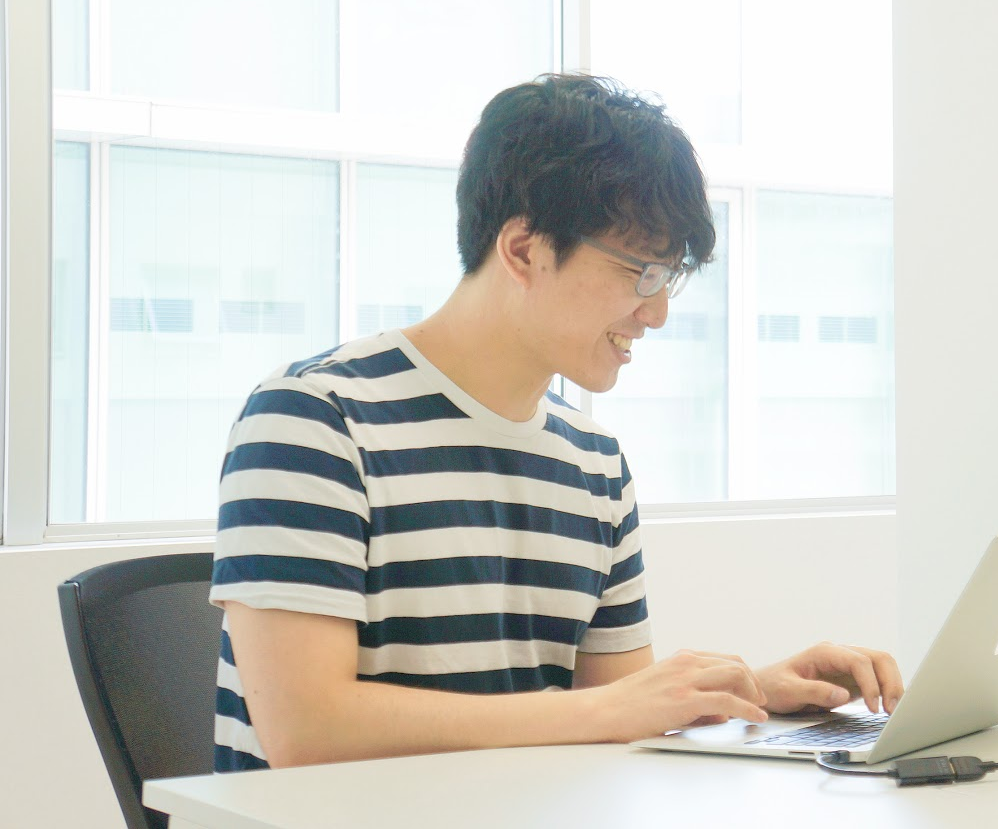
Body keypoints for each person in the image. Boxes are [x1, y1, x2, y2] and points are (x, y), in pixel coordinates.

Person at [210, 74, 903, 771]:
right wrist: (612, 710)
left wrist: (750, 691)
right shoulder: (314, 420)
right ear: (523, 251)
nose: (657, 312)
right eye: (641, 273)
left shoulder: (594, 462)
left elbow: (619, 711)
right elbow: (308, 729)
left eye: (668, 277)